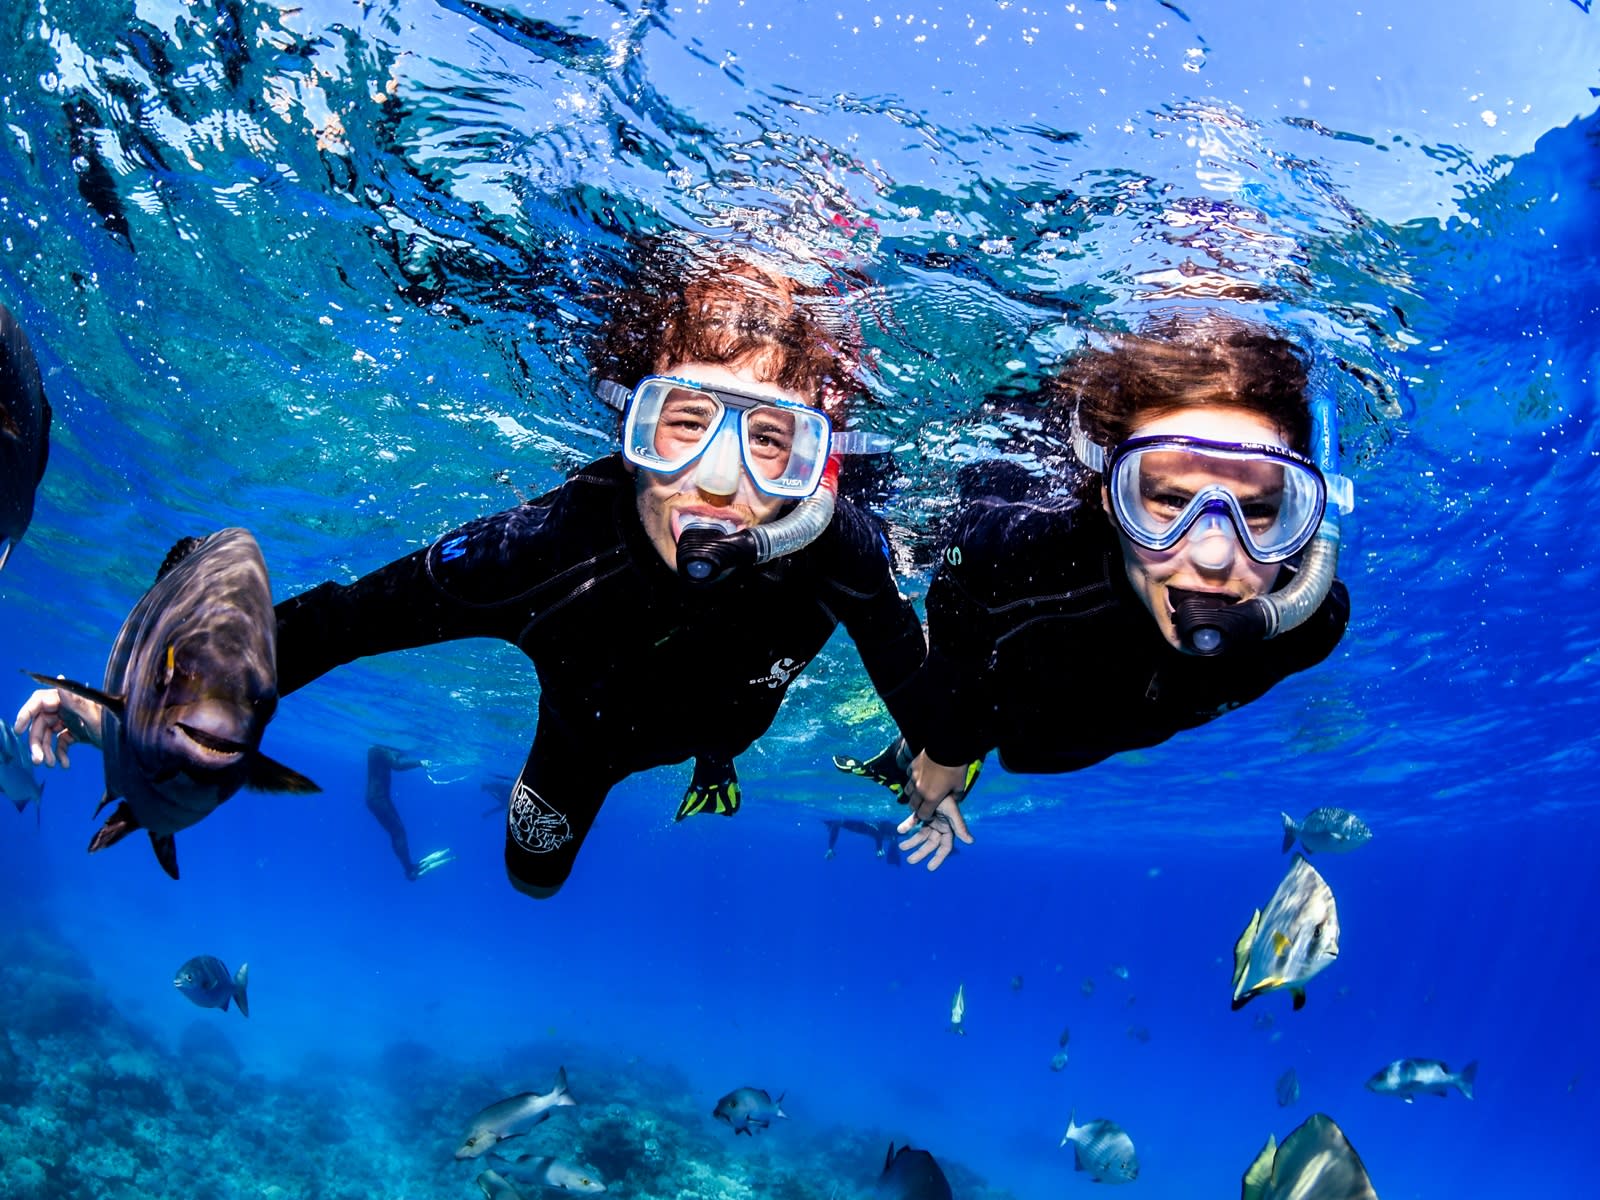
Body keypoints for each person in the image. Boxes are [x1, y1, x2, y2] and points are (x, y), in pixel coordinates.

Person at [16, 243, 926, 900]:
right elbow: (334, 625)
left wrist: (945, 760)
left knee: (719, 745)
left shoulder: (835, 543)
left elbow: (921, 676)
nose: (722, 482)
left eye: (772, 441)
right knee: (532, 880)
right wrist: (122, 718)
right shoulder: (546, 550)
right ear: (631, 428)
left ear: (819, 461)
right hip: (589, 741)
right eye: (683, 423)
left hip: (732, 723)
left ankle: (714, 763)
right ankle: (705, 763)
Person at [836, 315, 1352, 869]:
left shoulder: (1310, 626)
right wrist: (948, 749)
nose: (1214, 558)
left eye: (1257, 511)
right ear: (1110, 498)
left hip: (1059, 728)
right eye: (1170, 502)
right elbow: (962, 576)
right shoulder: (1026, 557)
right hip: (1002, 687)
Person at [365, 745, 454, 881]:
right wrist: (420, 763)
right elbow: (396, 766)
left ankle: (408, 867)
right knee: (398, 832)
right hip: (379, 800)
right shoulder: (380, 751)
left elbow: (392, 758)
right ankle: (409, 870)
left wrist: (401, 753)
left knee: (397, 832)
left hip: (378, 799)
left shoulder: (374, 751)